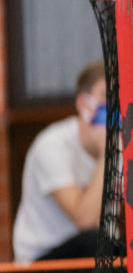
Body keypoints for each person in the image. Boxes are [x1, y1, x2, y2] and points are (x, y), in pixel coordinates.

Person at [12, 60, 108, 262]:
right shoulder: (51, 145)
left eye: (119, 97)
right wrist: (106, 154)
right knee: (95, 241)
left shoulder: (131, 143)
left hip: (92, 256)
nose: (113, 106)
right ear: (84, 105)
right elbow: (86, 220)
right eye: (106, 97)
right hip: (40, 265)